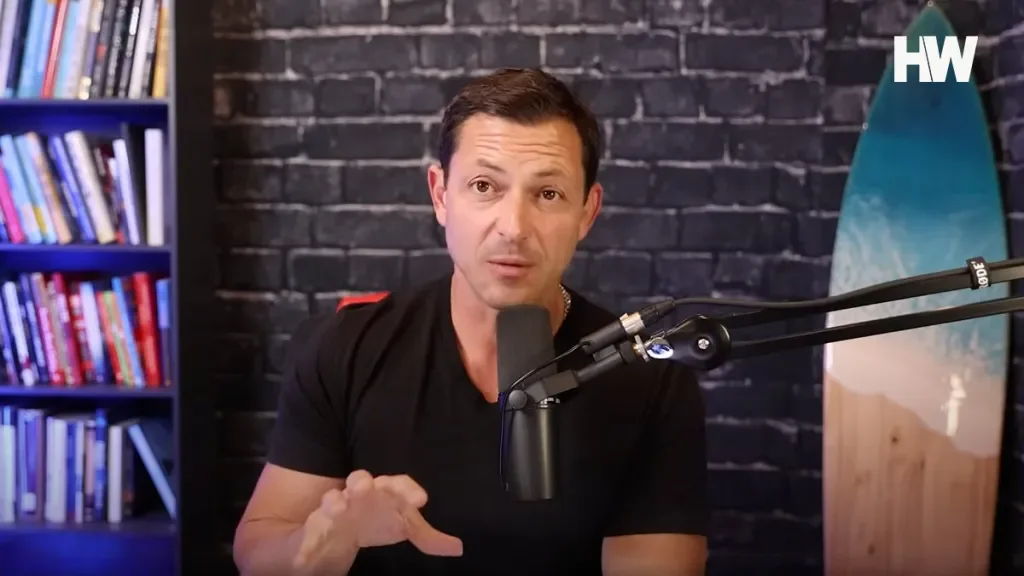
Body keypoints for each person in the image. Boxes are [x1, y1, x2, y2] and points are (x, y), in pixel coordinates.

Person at [232, 67, 710, 576]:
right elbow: (258, 552)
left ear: (587, 212)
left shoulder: (650, 376)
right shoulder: (344, 347)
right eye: (485, 186)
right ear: (440, 195)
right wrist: (321, 544)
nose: (514, 228)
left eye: (547, 194)